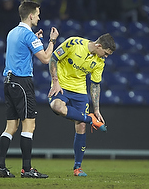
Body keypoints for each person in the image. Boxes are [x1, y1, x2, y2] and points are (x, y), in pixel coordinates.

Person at [0, 0, 59, 178]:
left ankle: (0, 167)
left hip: (8, 82)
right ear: (31, 15)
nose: (39, 17)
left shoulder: (13, 32)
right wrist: (51, 41)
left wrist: (35, 40)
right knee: (29, 124)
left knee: (11, 127)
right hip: (22, 82)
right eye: (37, 14)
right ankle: (27, 169)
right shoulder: (28, 35)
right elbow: (46, 58)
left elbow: (22, 52)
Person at [48, 33, 116, 176]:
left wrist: (96, 109)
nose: (105, 56)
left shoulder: (100, 62)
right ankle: (90, 119)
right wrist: (55, 81)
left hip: (79, 91)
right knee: (57, 106)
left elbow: (95, 85)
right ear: (98, 46)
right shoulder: (73, 43)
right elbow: (53, 58)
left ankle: (77, 168)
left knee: (81, 126)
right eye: (105, 53)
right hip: (62, 86)